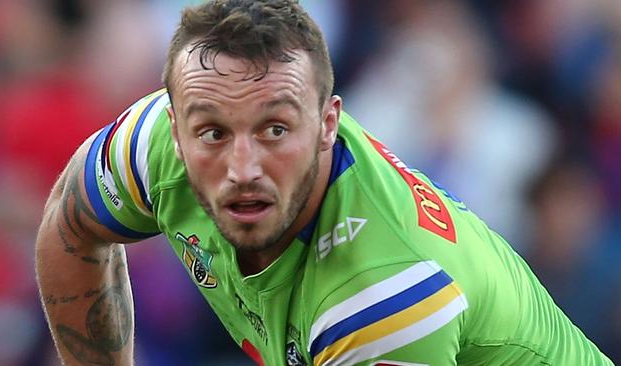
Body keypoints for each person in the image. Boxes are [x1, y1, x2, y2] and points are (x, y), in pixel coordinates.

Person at [35, 1, 613, 365]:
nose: (243, 169)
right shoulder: (153, 139)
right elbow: (69, 226)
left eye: (275, 129)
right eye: (211, 133)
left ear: (327, 124)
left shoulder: (382, 298)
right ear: (178, 127)